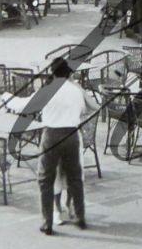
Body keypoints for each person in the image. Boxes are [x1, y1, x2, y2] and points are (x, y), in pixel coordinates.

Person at [31, 57, 94, 234]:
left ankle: (47, 222)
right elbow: (85, 109)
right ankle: (80, 216)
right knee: (75, 177)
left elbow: (30, 107)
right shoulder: (75, 90)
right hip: (71, 134)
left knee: (45, 179)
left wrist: (7, 98)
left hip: (51, 135)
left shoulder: (47, 89)